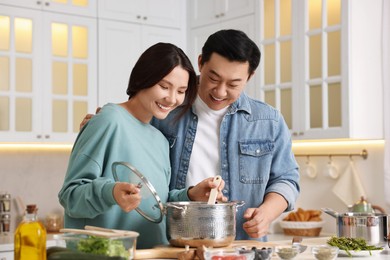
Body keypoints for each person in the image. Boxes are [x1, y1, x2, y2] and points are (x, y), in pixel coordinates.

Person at [81, 30, 300, 242]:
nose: (220, 92)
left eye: (233, 84)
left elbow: (286, 179)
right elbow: (129, 122)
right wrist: (103, 121)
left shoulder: (268, 121)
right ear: (200, 62)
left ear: (249, 76)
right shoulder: (164, 108)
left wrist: (267, 213)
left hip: (241, 244)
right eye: (213, 78)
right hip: (175, 243)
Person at [58, 42, 226, 249]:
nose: (172, 99)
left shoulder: (160, 140)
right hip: (103, 254)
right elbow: (71, 195)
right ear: (143, 78)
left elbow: (158, 202)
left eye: (181, 91)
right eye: (164, 86)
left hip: (153, 253)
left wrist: (190, 195)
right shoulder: (108, 120)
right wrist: (111, 193)